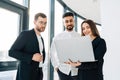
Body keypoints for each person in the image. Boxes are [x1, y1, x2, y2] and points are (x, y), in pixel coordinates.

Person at [9, 12, 47, 80]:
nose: (43, 25)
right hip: (26, 75)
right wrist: (31, 57)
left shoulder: (41, 38)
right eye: (41, 22)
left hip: (39, 73)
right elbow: (11, 52)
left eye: (45, 23)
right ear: (34, 22)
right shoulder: (26, 34)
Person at [50, 12, 80, 80]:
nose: (69, 23)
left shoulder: (79, 36)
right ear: (63, 23)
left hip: (76, 71)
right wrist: (56, 66)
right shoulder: (57, 37)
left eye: (71, 21)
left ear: (74, 22)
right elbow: (52, 53)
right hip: (62, 70)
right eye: (66, 21)